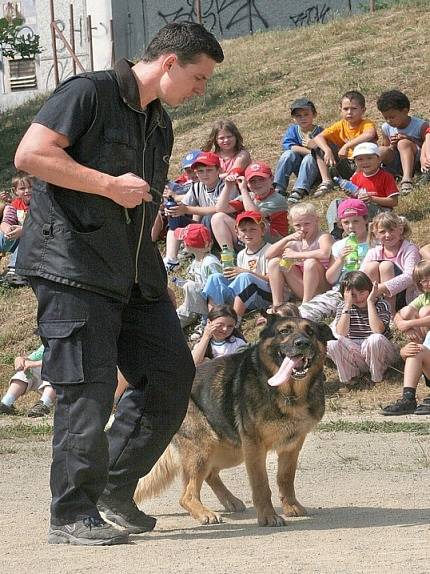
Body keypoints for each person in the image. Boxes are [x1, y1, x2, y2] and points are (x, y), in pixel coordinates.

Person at [14, 22, 224, 546]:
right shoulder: (89, 92)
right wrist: (107, 184)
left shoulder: (159, 123)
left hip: (133, 275)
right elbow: (31, 155)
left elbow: (141, 205)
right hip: (72, 266)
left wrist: (152, 266)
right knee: (87, 390)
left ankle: (112, 486)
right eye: (199, 78)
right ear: (170, 63)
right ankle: (70, 514)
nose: (201, 90)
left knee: (172, 377)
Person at [300, 198, 369, 322]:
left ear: (366, 220)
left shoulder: (375, 243)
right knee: (303, 313)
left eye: (356, 221)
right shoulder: (339, 245)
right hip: (341, 292)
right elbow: (330, 279)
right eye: (346, 222)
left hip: (366, 293)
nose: (351, 226)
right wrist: (340, 260)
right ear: (340, 224)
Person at [327, 271, 397, 386]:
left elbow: (377, 330)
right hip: (357, 352)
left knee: (375, 339)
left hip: (379, 353)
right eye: (353, 295)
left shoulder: (381, 305)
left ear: (370, 290)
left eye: (362, 292)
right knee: (333, 342)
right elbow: (341, 333)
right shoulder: (343, 307)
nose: (358, 298)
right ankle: (351, 377)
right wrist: (348, 305)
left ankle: (377, 376)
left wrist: (370, 302)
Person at [203, 211, 272, 320]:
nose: (248, 234)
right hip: (245, 296)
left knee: (245, 277)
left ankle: (234, 321)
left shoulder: (270, 250)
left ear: (262, 230)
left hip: (264, 296)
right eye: (243, 230)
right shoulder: (241, 254)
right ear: (237, 233)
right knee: (215, 278)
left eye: (253, 229)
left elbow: (272, 281)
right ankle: (214, 319)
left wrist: (246, 272)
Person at [381, 260, 430, 415]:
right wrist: (406, 327)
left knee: (424, 312)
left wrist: (410, 323)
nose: (427, 283)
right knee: (414, 350)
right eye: (423, 280)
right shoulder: (425, 297)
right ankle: (408, 399)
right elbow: (399, 315)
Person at [211, 161, 288, 250]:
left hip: (275, 241)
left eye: (261, 179)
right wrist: (227, 187)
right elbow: (220, 208)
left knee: (256, 224)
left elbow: (254, 216)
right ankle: (229, 256)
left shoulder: (278, 199)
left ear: (271, 179)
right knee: (218, 217)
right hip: (252, 235)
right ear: (247, 183)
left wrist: (243, 189)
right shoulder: (249, 196)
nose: (257, 183)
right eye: (252, 181)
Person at [266, 202, 333, 305]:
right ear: (292, 225)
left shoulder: (323, 236)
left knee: (310, 262)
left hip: (322, 288)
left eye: (307, 224)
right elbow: (268, 255)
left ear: (316, 220)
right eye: (297, 225)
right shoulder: (294, 241)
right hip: (303, 287)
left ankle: (306, 304)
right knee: (274, 262)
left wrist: (295, 255)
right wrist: (287, 238)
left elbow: (325, 253)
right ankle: (277, 304)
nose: (302, 229)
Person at [312, 90, 377, 197]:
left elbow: (370, 134)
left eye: (354, 108)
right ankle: (326, 181)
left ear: (363, 110)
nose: (349, 112)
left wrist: (347, 145)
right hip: (345, 163)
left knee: (367, 144)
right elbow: (318, 137)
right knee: (319, 146)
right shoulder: (340, 124)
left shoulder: (366, 123)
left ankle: (358, 178)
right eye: (346, 109)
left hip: (361, 164)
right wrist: (327, 150)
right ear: (340, 110)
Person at [361, 212, 420, 313]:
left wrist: (382, 288)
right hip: (375, 294)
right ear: (375, 234)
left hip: (403, 297)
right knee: (371, 266)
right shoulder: (373, 252)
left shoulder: (410, 249)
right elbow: (360, 274)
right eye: (382, 232)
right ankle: (372, 311)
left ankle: (389, 313)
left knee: (386, 266)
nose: (388, 235)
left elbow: (411, 276)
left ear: (400, 230)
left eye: (392, 230)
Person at [173, 223, 222, 335]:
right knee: (172, 319)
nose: (182, 243)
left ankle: (205, 321)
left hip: (213, 304)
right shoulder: (197, 261)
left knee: (190, 286)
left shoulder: (210, 262)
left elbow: (217, 288)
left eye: (184, 241)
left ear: (189, 245)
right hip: (199, 301)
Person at [377, 89, 429, 195]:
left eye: (392, 117)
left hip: (417, 163)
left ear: (405, 111)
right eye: (385, 117)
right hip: (397, 163)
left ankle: (406, 180)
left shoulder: (420, 126)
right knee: (381, 150)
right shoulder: (386, 127)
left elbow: (426, 145)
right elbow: (387, 148)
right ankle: (372, 177)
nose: (388, 121)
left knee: (403, 143)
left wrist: (408, 139)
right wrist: (392, 145)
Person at [273, 97, 323, 202]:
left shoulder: (320, 132)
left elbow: (323, 151)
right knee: (288, 154)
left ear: (314, 114)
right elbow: (290, 146)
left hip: (317, 169)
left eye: (306, 114)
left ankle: (299, 189)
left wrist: (313, 153)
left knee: (310, 158)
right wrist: (310, 151)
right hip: (300, 167)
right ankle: (279, 188)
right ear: (293, 118)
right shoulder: (293, 130)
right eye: (298, 116)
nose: (302, 118)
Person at [159, 149, 200, 267]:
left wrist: (176, 197)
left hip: (204, 224)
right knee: (172, 212)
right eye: (189, 171)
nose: (193, 174)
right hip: (189, 222)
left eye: (195, 170)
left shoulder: (208, 184)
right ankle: (171, 259)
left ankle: (193, 239)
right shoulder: (185, 186)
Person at [0, 343, 56, 417]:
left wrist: (34, 363)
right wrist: (21, 360)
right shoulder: (51, 341)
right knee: (26, 369)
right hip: (52, 385)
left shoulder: (73, 341)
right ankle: (6, 403)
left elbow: (64, 362)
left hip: (67, 384)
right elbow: (32, 358)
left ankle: (44, 405)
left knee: (56, 368)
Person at [0, 172, 32, 286]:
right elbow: (5, 222)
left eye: (30, 187)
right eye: (23, 188)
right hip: (15, 240)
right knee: (3, 234)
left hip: (34, 242)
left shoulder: (39, 204)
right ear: (15, 191)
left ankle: (14, 271)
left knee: (26, 236)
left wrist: (24, 231)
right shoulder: (15, 205)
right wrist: (8, 229)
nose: (27, 191)